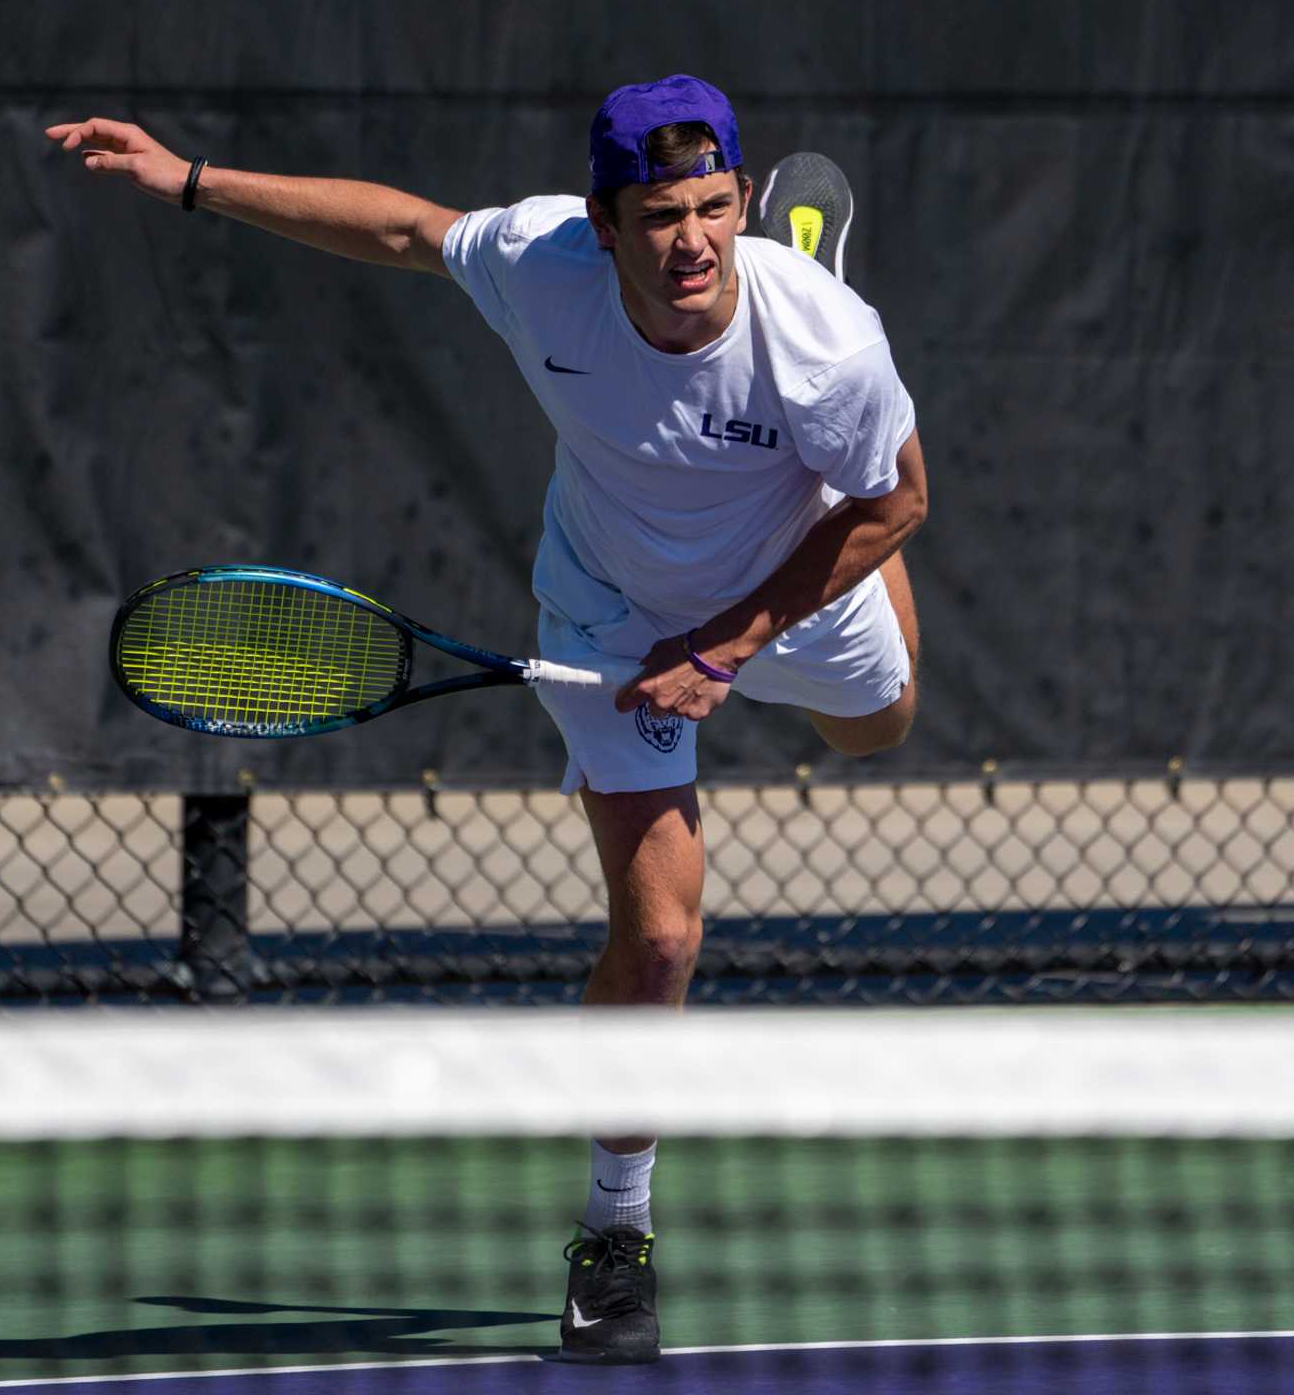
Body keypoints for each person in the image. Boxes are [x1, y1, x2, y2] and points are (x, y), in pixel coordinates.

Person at [46, 74, 926, 1367]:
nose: (690, 241)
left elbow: (900, 506)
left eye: (714, 211)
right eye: (661, 214)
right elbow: (400, 230)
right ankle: (614, 1234)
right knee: (664, 938)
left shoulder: (819, 349)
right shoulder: (541, 264)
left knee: (880, 727)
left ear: (738, 205)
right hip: (611, 612)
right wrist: (189, 179)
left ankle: (831, 315)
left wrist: (730, 646)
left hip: (784, 582)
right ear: (604, 220)